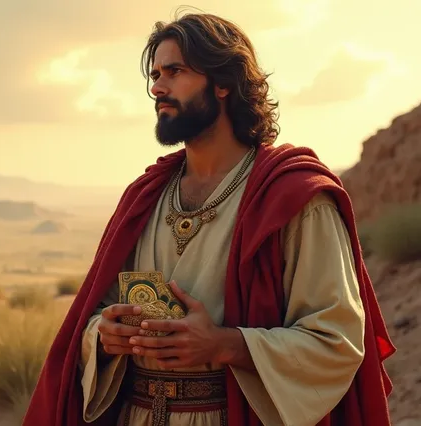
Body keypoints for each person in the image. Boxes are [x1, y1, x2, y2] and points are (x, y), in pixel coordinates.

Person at [23, 12, 395, 426]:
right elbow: (98, 312)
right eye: (155, 74)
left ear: (223, 83)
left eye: (174, 71)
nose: (157, 88)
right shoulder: (145, 198)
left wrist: (224, 345)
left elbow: (338, 341)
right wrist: (105, 335)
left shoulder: (292, 197)